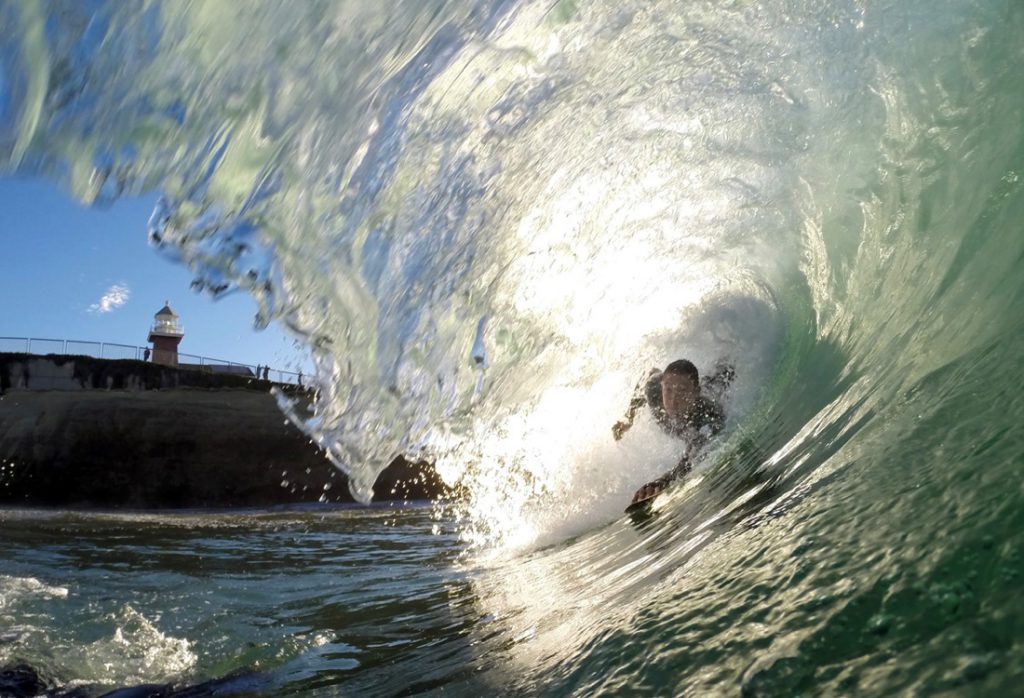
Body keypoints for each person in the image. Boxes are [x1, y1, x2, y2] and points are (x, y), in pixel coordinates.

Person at [613, 359, 732, 505]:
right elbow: (649, 373)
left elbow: (691, 457)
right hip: (696, 389)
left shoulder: (707, 416)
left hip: (713, 389)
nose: (673, 399)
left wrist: (662, 482)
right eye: (668, 390)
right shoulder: (654, 389)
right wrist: (628, 418)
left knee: (720, 378)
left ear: (695, 392)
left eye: (682, 390)